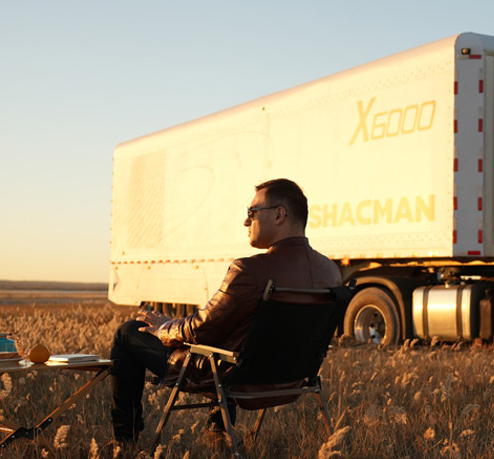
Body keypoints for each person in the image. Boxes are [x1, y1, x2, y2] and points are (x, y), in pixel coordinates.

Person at [109, 178, 342, 442]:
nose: (246, 221)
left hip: (235, 378)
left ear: (279, 215)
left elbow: (202, 329)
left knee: (129, 331)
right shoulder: (330, 272)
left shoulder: (249, 270)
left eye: (252, 212)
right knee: (231, 337)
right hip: (295, 379)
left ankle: (124, 441)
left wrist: (164, 328)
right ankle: (218, 434)